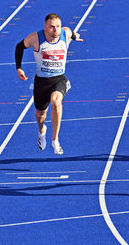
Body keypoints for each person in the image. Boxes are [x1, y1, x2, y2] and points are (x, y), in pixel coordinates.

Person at [15, 13, 82, 155]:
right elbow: (19, 47)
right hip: (41, 82)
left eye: (57, 26)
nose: (55, 30)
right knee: (40, 115)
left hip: (59, 79)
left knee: (56, 102)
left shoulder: (65, 33)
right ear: (45, 27)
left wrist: (76, 36)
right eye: (52, 27)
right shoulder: (36, 38)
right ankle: (42, 131)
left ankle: (55, 139)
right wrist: (19, 68)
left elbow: (72, 33)